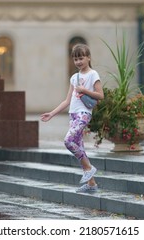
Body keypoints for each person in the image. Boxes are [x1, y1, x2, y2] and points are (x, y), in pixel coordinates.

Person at [40, 44, 104, 192]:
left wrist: (84, 90)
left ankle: (89, 168)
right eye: (75, 59)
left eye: (81, 58)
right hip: (73, 115)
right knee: (79, 147)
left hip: (84, 114)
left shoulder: (93, 74)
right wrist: (52, 113)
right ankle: (92, 184)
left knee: (68, 141)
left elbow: (101, 95)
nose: (78, 62)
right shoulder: (74, 77)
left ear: (88, 57)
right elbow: (67, 101)